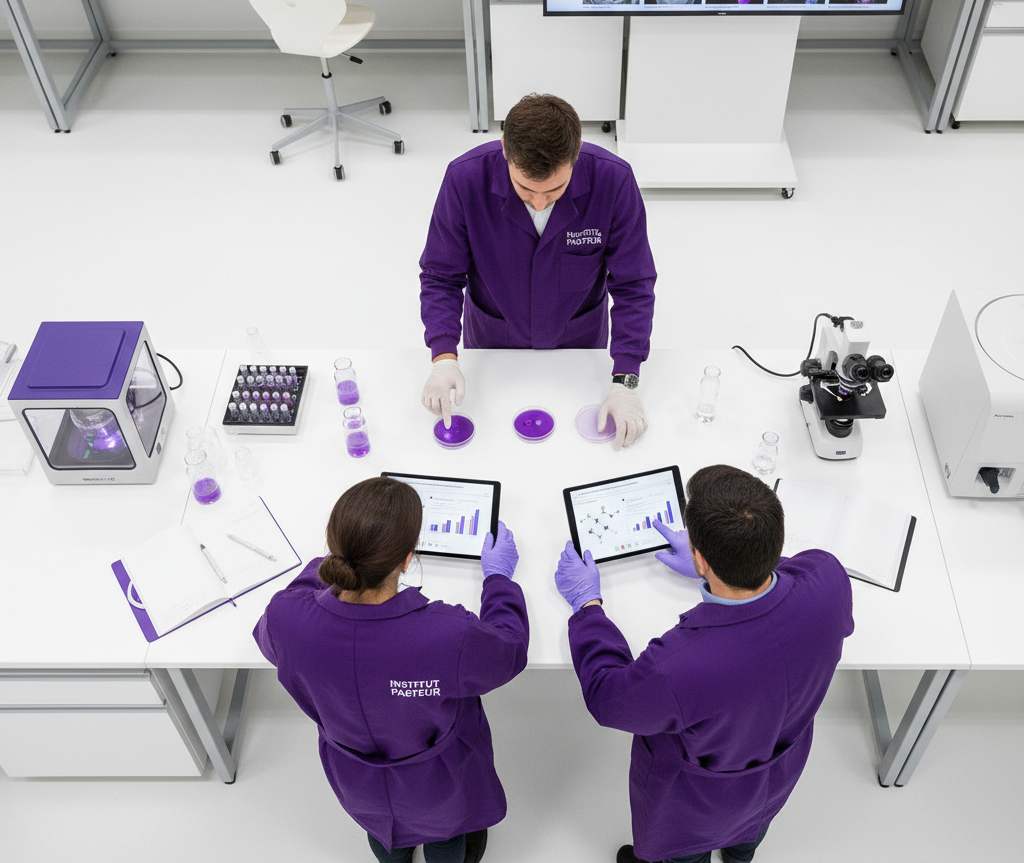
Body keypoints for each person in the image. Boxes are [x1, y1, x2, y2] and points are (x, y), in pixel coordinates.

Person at [553, 464, 854, 863]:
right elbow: (788, 571)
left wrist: (587, 604)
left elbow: (608, 699)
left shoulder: (682, 665)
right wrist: (725, 566)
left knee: (685, 854)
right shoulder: (828, 576)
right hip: (778, 776)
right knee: (750, 832)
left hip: (697, 808)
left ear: (700, 558)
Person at [253, 477, 529, 863]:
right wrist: (498, 580)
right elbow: (509, 651)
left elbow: (282, 622)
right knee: (447, 836)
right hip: (439, 785)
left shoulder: (286, 620)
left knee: (383, 835)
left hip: (357, 783)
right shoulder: (446, 635)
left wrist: (336, 558)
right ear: (406, 561)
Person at [419, 93, 657, 450]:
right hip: (494, 342)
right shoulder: (464, 179)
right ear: (504, 149)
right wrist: (443, 357)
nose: (541, 201)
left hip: (578, 346)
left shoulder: (614, 180)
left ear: (576, 150)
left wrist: (625, 379)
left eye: (556, 189)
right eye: (525, 189)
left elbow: (634, 283)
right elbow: (441, 275)